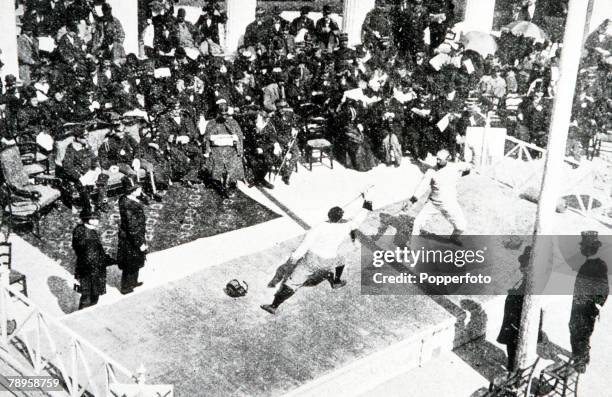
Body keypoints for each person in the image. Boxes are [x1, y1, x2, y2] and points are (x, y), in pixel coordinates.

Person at [261, 197, 374, 314]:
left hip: (311, 260)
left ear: (329, 215)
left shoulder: (319, 227)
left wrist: (293, 259)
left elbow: (304, 246)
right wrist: (367, 203)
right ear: (341, 217)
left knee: (293, 283)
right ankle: (336, 281)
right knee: (341, 260)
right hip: (329, 261)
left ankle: (274, 306)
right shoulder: (346, 226)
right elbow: (357, 220)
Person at [408, 149, 472, 244]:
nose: (438, 161)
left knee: (461, 226)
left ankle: (454, 238)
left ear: (447, 159)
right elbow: (423, 186)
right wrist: (412, 200)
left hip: (449, 203)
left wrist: (464, 172)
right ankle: (412, 247)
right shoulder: (431, 171)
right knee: (417, 223)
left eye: (440, 160)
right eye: (437, 159)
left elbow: (468, 167)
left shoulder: (455, 167)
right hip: (433, 203)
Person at [569, 231, 609, 373]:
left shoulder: (592, 266)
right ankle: (584, 358)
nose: (580, 249)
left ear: (588, 249)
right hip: (587, 306)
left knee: (577, 332)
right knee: (584, 332)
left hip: (583, 306)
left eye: (582, 247)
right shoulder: (598, 264)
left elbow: (603, 288)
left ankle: (580, 363)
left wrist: (596, 304)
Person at [72, 207, 114, 309]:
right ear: (88, 220)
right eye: (94, 218)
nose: (97, 220)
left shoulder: (81, 229)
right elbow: (92, 257)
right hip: (92, 271)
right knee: (91, 295)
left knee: (87, 294)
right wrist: (108, 260)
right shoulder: (88, 235)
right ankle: (84, 316)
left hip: (84, 268)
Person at [203, 99, 245, 197]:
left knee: (234, 159)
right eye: (222, 114)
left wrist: (237, 143)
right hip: (216, 148)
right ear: (218, 113)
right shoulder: (212, 123)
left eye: (226, 114)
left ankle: (230, 181)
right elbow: (206, 138)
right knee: (218, 161)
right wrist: (208, 148)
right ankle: (219, 183)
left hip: (230, 148)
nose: (224, 117)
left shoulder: (233, 122)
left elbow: (239, 135)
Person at [117, 176, 147, 295]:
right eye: (138, 189)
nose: (140, 190)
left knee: (135, 260)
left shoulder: (125, 199)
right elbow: (132, 227)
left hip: (133, 236)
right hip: (132, 239)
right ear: (132, 191)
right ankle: (126, 287)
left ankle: (133, 282)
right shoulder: (129, 205)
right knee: (130, 263)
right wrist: (140, 243)